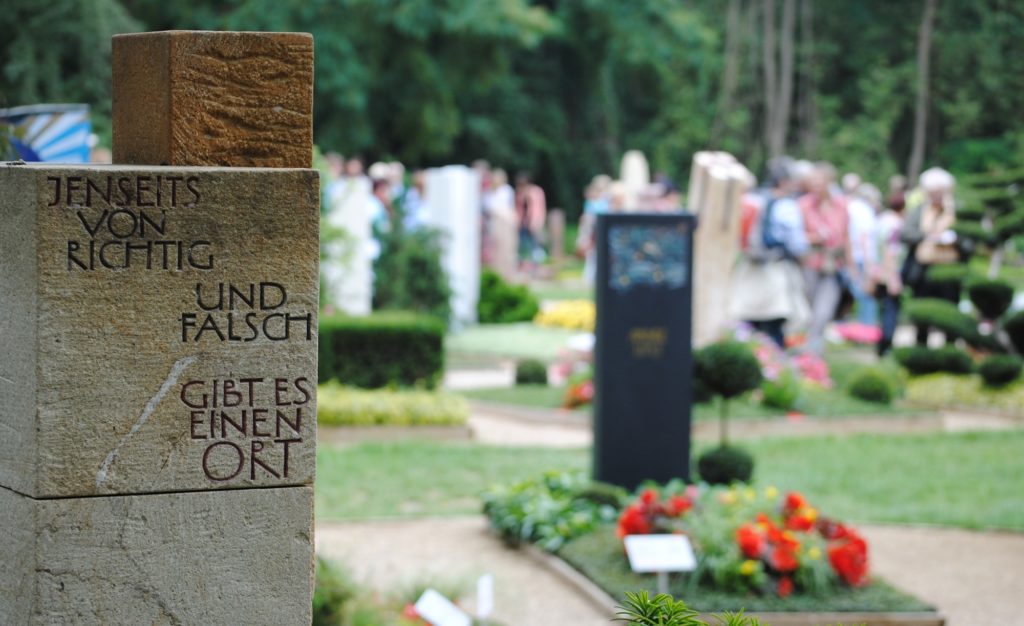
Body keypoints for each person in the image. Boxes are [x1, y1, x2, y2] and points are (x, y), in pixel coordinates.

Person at [729, 158, 809, 349]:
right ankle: (775, 368)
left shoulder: (752, 201)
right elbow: (798, 245)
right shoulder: (786, 207)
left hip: (748, 269)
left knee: (748, 327)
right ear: (783, 181)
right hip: (774, 269)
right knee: (775, 326)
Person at [900, 167, 959, 345]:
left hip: (949, 269)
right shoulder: (920, 211)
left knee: (950, 313)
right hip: (924, 269)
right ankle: (921, 346)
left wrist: (953, 239)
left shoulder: (955, 212)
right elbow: (906, 233)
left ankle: (950, 349)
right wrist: (927, 235)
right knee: (922, 314)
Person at [800, 162, 853, 355]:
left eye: (819, 182)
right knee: (811, 310)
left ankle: (812, 352)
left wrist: (853, 268)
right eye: (813, 182)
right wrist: (814, 238)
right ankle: (812, 351)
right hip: (810, 263)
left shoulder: (841, 205)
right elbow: (796, 236)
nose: (816, 186)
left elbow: (847, 237)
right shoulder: (804, 205)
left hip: (833, 265)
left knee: (824, 310)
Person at [872, 185, 906, 356]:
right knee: (891, 311)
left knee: (883, 309)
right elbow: (890, 251)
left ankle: (881, 345)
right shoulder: (896, 225)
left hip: (878, 272)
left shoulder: (881, 220)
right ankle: (885, 347)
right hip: (890, 272)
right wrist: (893, 276)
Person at [846, 181, 880, 326]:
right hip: (863, 257)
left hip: (851, 255)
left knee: (857, 293)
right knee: (868, 294)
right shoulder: (865, 211)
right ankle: (867, 328)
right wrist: (869, 264)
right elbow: (865, 237)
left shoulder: (849, 207)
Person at [514, 172, 547, 272]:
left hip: (534, 224)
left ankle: (536, 267)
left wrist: (537, 223)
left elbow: (539, 209)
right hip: (522, 224)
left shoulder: (536, 192)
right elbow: (519, 209)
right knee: (521, 246)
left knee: (535, 246)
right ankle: (523, 267)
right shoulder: (520, 194)